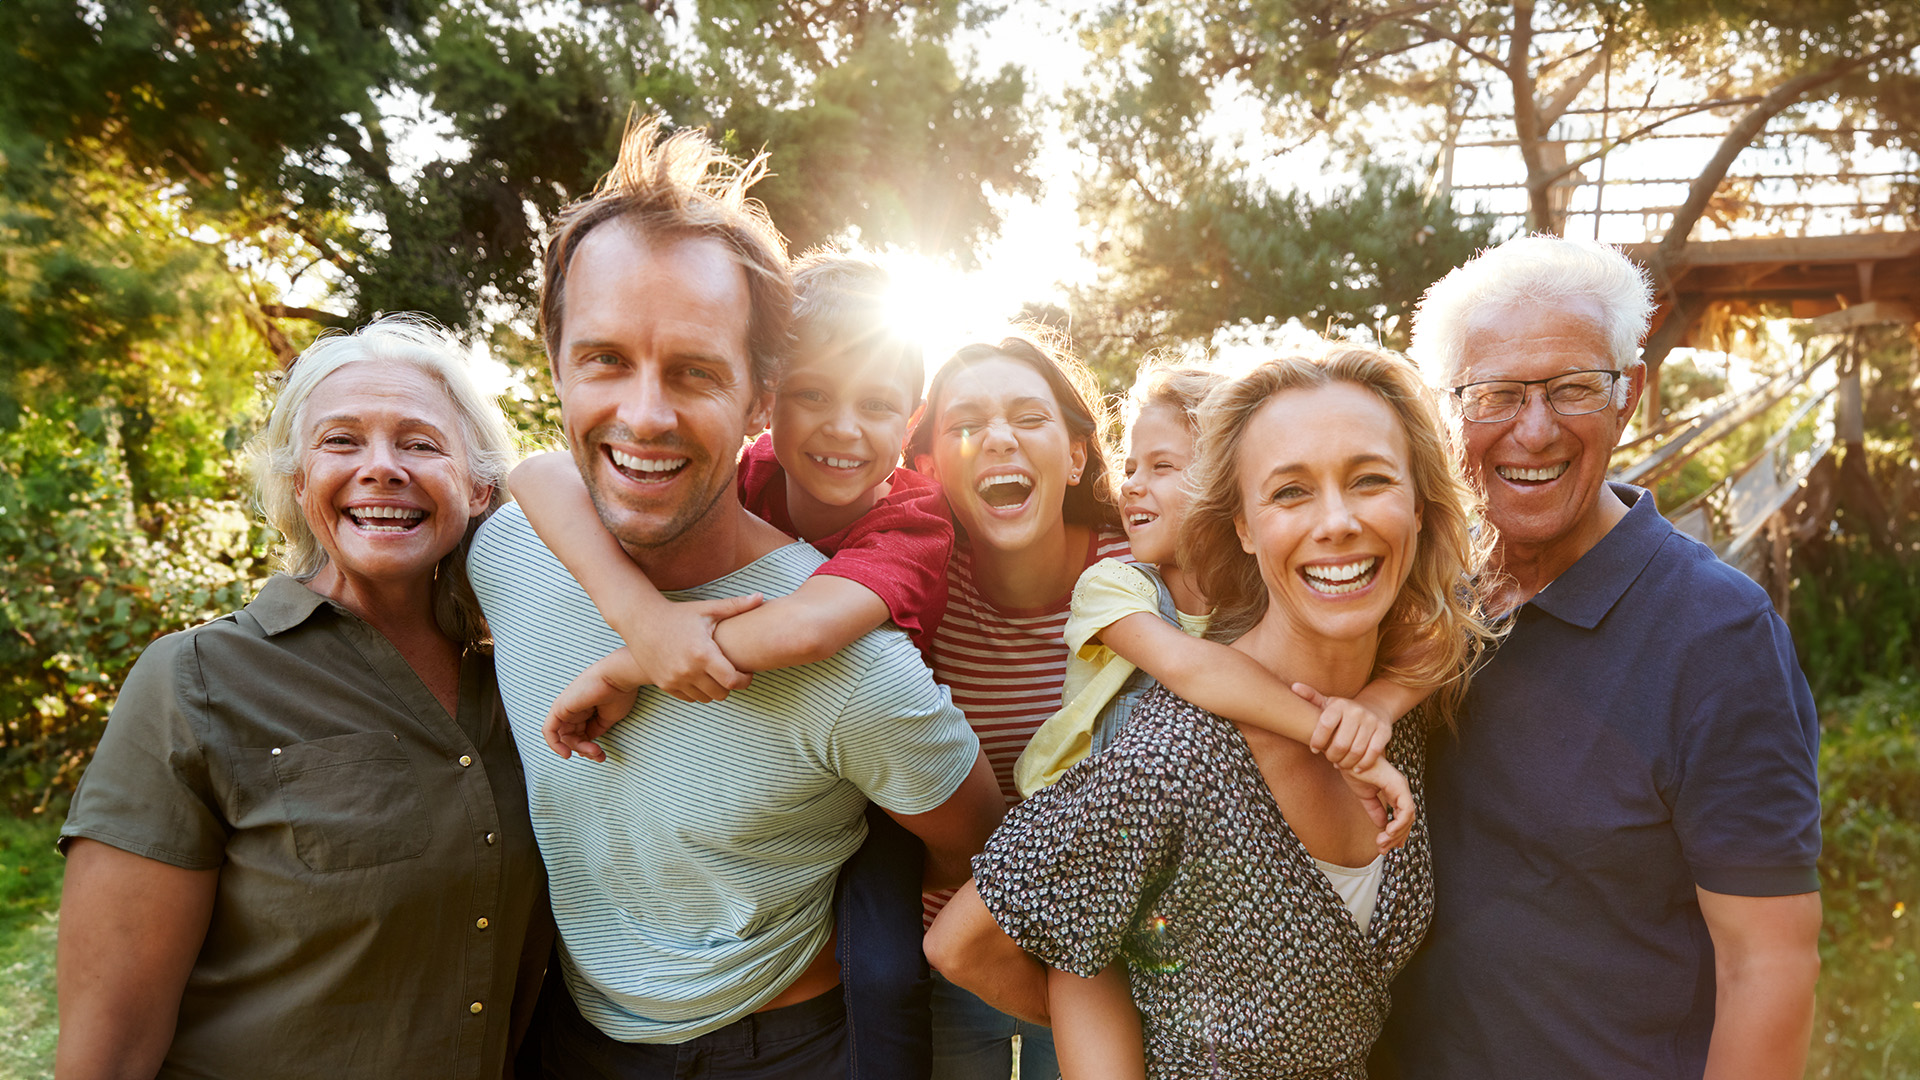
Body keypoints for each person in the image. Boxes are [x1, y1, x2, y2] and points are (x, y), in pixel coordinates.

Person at [466, 115, 1003, 1078]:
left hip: (781, 1044)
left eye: (694, 372)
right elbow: (532, 478)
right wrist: (643, 623)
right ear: (552, 362)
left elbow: (976, 839)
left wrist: (648, 659)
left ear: (755, 396)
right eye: (604, 359)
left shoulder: (857, 648)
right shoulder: (506, 552)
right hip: (569, 1031)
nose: (644, 414)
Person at [926, 344, 1500, 1079]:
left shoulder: (1403, 707)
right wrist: (1162, 1038)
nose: (1337, 522)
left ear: (1418, 507)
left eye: (1370, 480)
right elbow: (963, 943)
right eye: (1290, 492)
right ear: (1242, 526)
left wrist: (1382, 708)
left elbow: (1459, 617)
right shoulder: (1174, 759)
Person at [1374, 235, 1823, 1080]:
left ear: (1630, 396)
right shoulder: (1416, 599)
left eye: (1575, 387)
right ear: (1445, 411)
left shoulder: (1716, 634)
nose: (1534, 430)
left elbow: (1768, 966)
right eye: (1496, 394)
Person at [55, 316, 546, 1079]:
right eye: (341, 441)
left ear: (480, 485)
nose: (381, 468)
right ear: (296, 480)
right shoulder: (196, 680)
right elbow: (107, 1054)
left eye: (420, 442)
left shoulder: (525, 674)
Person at [906, 331, 1134, 1080]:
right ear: (930, 468)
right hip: (946, 952)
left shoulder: (1140, 578)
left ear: (1075, 455)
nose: (998, 437)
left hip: (1108, 961)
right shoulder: (916, 590)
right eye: (966, 421)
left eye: (1029, 417)